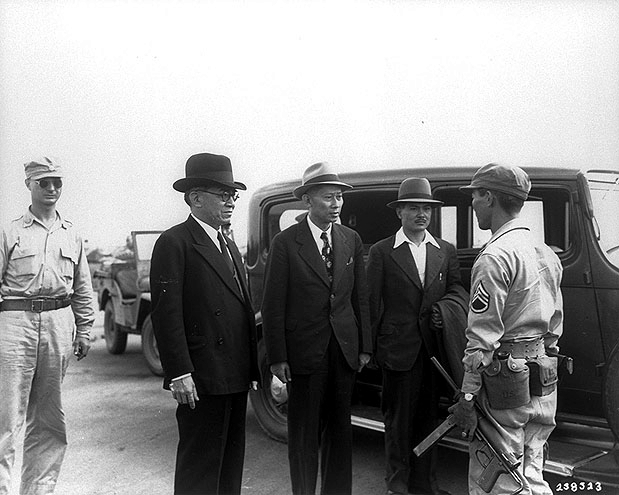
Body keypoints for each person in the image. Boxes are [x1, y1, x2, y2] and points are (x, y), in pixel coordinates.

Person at [450, 163, 563, 495]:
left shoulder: (494, 257)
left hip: (505, 383)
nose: (473, 205)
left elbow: (481, 340)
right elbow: (555, 327)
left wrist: (467, 397)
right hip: (544, 379)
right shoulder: (545, 253)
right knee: (533, 472)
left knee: (499, 480)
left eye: (475, 197)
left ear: (489, 197)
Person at [150, 153, 260, 495]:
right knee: (200, 469)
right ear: (195, 197)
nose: (230, 202)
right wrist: (179, 373)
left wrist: (253, 370)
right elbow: (166, 316)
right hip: (201, 375)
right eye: (222, 194)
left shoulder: (227, 244)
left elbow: (242, 310)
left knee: (230, 465)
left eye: (233, 195)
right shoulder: (175, 242)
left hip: (234, 373)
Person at [262, 162, 372, 495]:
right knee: (303, 436)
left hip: (343, 353)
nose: (336, 204)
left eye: (339, 197)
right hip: (303, 355)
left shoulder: (350, 239)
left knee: (341, 433)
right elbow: (273, 304)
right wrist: (277, 357)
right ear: (308, 200)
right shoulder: (286, 243)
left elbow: (359, 297)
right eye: (328, 197)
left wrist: (365, 346)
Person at [0, 157, 95, 495]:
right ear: (29, 184)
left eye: (57, 182)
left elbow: (83, 286)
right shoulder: (9, 230)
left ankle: (37, 491)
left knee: (49, 420)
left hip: (58, 322)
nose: (52, 188)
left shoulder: (71, 232)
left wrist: (85, 329)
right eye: (44, 182)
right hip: (15, 323)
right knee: (6, 419)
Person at [366, 178, 466, 495]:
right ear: (400, 213)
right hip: (397, 350)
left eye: (426, 208)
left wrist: (445, 309)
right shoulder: (383, 251)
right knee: (398, 422)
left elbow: (456, 289)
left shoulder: (445, 251)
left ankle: (426, 484)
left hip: (433, 351)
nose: (421, 214)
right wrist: (369, 350)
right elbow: (370, 302)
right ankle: (398, 484)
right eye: (413, 208)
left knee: (430, 420)